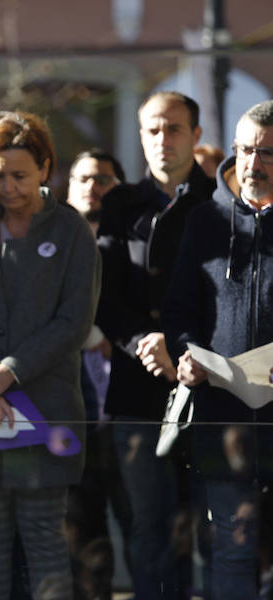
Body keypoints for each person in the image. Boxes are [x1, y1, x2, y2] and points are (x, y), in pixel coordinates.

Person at [0, 111, 100, 600]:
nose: (7, 187)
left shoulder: (73, 232)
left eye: (20, 175)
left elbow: (74, 323)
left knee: (44, 541)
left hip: (46, 413)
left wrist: (8, 373)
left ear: (46, 169)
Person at [96, 91, 214, 598]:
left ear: (196, 136)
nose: (162, 139)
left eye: (174, 128)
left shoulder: (218, 202)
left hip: (209, 385)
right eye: (152, 129)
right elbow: (105, 296)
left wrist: (188, 349)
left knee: (208, 529)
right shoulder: (120, 205)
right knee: (149, 529)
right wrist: (145, 341)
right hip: (137, 387)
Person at [163, 100, 273, 599]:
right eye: (247, 149)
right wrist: (187, 355)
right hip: (222, 420)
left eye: (269, 153)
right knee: (231, 549)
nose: (255, 163)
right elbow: (179, 312)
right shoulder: (205, 221)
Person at [64, 149, 132, 600]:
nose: (94, 186)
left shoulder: (134, 244)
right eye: (85, 178)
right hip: (69, 412)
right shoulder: (53, 245)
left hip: (127, 411)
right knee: (80, 540)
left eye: (105, 179)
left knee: (140, 528)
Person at [65, 148, 124, 230]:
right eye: (83, 179)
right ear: (70, 185)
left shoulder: (139, 238)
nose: (91, 187)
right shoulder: (47, 233)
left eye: (102, 180)